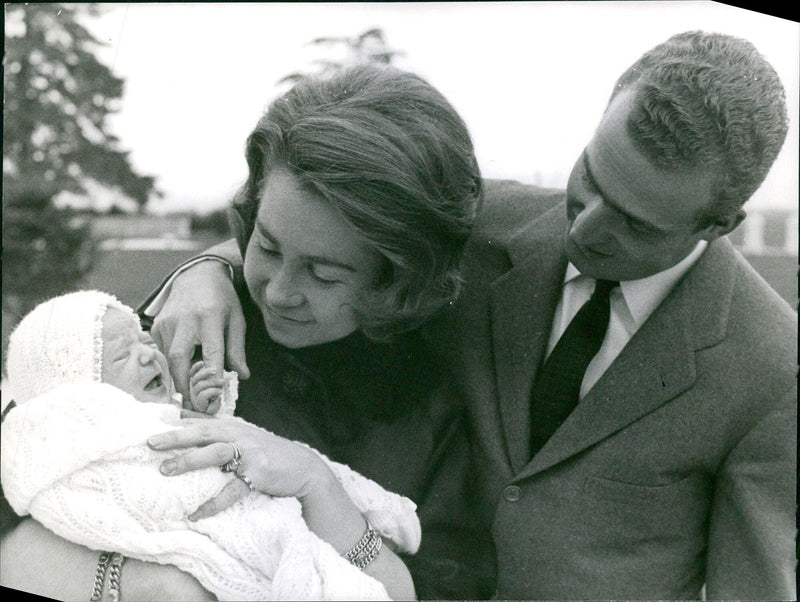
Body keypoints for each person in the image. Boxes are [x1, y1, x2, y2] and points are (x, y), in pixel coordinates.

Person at [97, 31, 795, 599]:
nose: (585, 229)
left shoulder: (771, 369)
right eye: (592, 180)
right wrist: (206, 270)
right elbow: (317, 220)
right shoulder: (488, 227)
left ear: (720, 223)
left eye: (636, 223)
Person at [0, 63, 494, 600]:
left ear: (397, 277)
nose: (278, 292)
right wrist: (146, 584)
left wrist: (317, 485)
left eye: (323, 273)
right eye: (266, 246)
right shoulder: (184, 328)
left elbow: (444, 591)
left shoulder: (434, 404)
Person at [1, 290, 421, 601]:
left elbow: (218, 438)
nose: (149, 355)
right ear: (79, 399)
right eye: (120, 356)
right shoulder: (83, 448)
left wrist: (203, 406)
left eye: (145, 341)